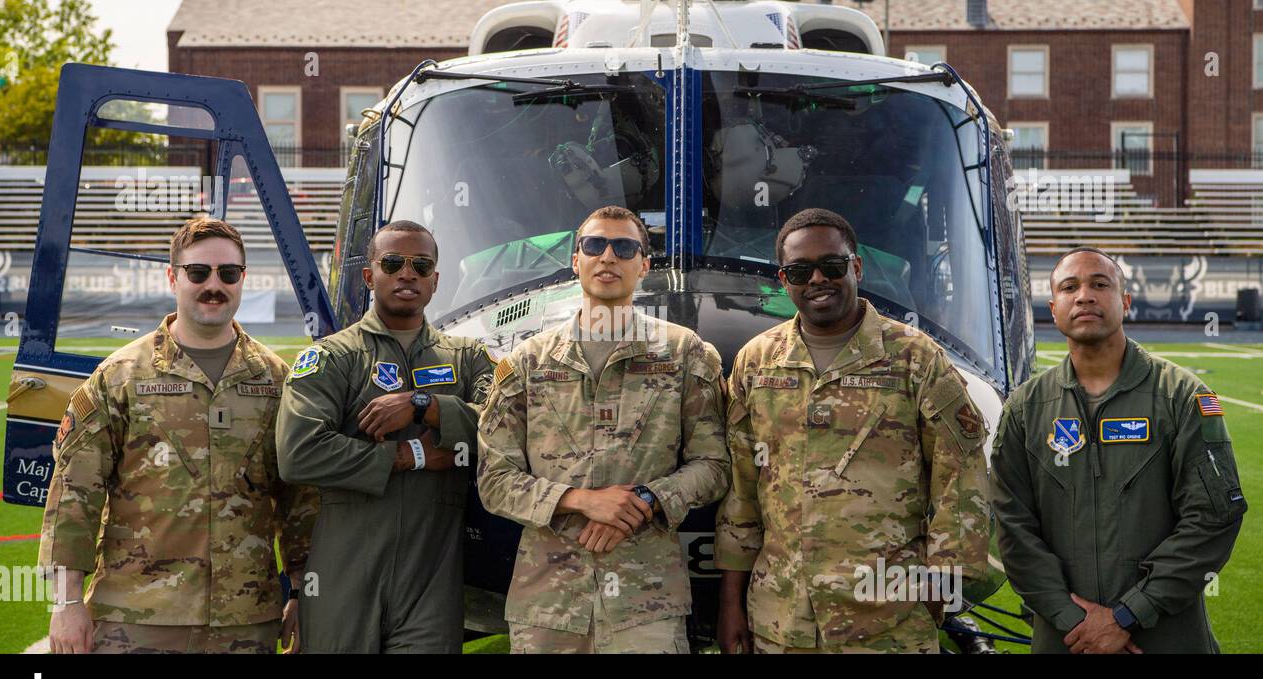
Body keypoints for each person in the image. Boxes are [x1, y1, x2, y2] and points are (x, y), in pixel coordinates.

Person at [715, 208, 990, 654]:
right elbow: (741, 492)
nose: (817, 279)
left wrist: (942, 585)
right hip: (781, 618)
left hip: (887, 621)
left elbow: (960, 474)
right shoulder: (757, 361)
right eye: (800, 271)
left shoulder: (915, 357)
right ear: (784, 280)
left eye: (833, 265)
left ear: (856, 267)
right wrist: (731, 603)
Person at [37, 217, 317, 654]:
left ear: (243, 278)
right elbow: (75, 494)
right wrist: (67, 602)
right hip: (137, 619)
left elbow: (299, 498)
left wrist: (301, 593)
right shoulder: (121, 377)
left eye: (228, 274)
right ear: (173, 277)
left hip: (244, 621)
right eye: (198, 272)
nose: (213, 285)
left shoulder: (275, 380)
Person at [476, 205, 730, 653]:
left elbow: (713, 466)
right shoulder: (528, 362)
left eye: (625, 247)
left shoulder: (684, 353)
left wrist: (645, 502)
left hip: (645, 602)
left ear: (644, 265)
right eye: (594, 245)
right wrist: (583, 501)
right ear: (577, 260)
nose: (608, 256)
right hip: (550, 604)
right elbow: (494, 480)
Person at [990, 247, 1246, 654]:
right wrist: (1076, 621)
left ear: (1124, 301)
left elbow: (1213, 517)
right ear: (1053, 308)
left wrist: (1130, 614)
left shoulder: (1181, 395)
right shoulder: (1024, 409)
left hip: (1165, 637)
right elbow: (1013, 527)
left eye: (1100, 284)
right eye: (1070, 287)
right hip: (1066, 639)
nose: (1085, 296)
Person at [275, 220, 493, 653]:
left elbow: (504, 429)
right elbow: (299, 453)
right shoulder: (331, 358)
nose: (407, 273)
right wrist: (409, 455)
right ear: (370, 276)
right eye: (393, 263)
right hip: (344, 575)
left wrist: (424, 406)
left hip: (430, 584)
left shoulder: (469, 359)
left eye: (421, 264)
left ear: (435, 281)